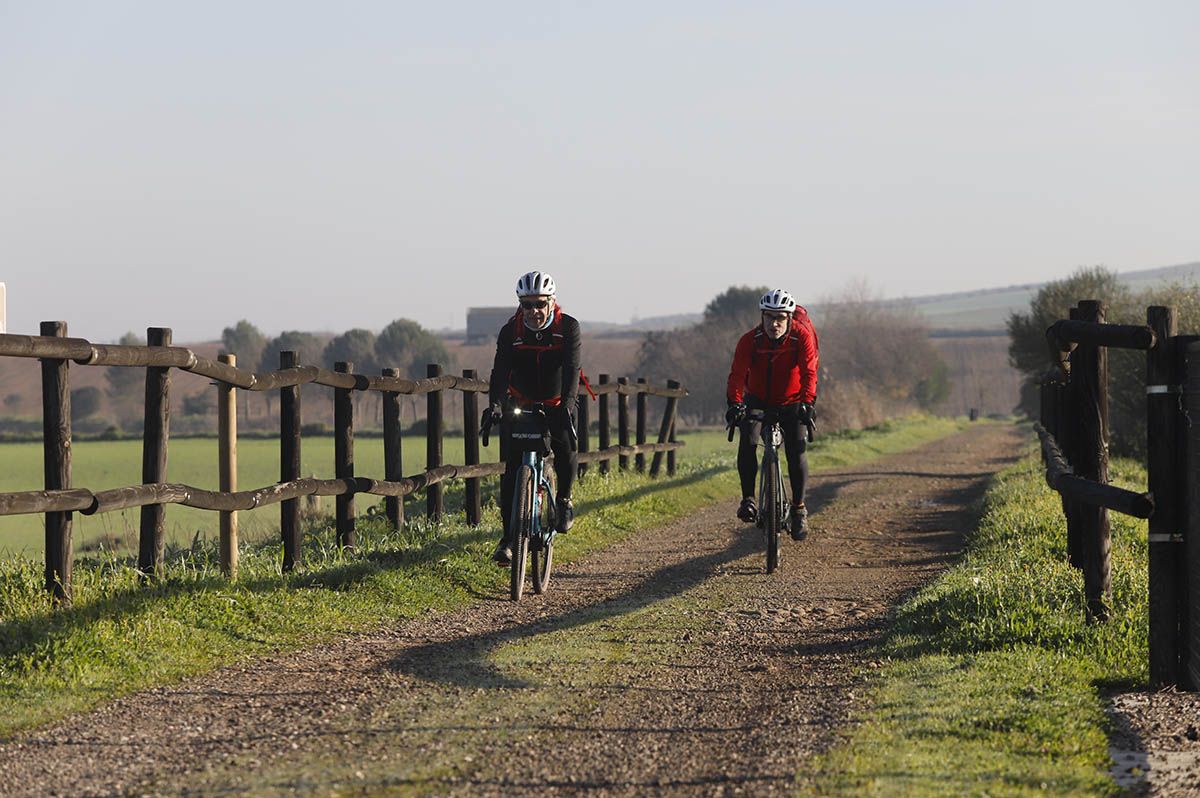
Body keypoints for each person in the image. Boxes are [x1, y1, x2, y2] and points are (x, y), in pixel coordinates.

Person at [486, 270, 582, 565]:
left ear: (552, 301)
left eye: (540, 304)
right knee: (512, 470)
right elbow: (499, 372)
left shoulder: (567, 328)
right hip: (522, 402)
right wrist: (495, 406)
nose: (534, 311)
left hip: (557, 401)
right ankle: (508, 540)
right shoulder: (510, 332)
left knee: (566, 447)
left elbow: (573, 370)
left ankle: (564, 501)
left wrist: (566, 405)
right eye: (527, 305)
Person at [725, 288, 819, 540]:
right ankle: (748, 500)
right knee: (748, 440)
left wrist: (808, 403)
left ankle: (799, 509)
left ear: (789, 318)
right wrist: (734, 404)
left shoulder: (801, 337)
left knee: (796, 450)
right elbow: (736, 376)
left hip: (792, 400)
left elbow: (809, 372)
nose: (774, 324)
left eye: (780, 318)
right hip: (757, 399)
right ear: (762, 317)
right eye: (769, 317)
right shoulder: (750, 340)